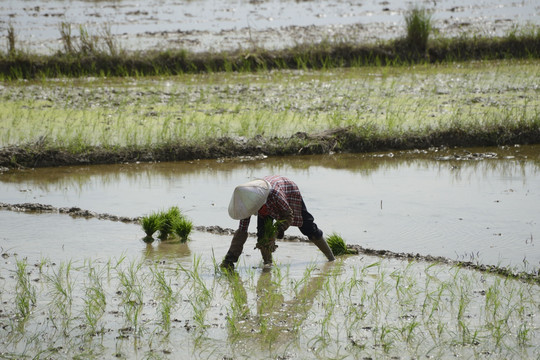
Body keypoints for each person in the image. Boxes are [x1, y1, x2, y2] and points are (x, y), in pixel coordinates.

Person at [220, 175, 335, 270]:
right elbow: (242, 231)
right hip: (267, 202)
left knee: (308, 227)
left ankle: (331, 258)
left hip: (289, 191)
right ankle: (268, 264)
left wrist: (276, 232)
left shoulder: (275, 195)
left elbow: (288, 215)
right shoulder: (246, 203)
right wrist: (229, 259)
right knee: (263, 235)